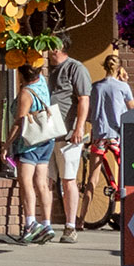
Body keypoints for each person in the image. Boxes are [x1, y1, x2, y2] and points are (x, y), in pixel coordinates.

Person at [47, 43, 94, 238]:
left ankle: (70, 226)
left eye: (50, 47)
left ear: (59, 48)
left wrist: (79, 127)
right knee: (45, 180)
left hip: (68, 134)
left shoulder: (76, 68)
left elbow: (84, 99)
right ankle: (45, 225)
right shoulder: (47, 69)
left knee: (68, 180)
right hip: (47, 134)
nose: (47, 51)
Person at [11, 60, 60, 242]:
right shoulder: (42, 84)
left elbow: (19, 121)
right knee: (42, 182)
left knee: (26, 183)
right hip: (46, 139)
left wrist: (7, 143)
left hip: (29, 142)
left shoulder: (26, 93)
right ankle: (46, 224)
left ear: (22, 75)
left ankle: (30, 223)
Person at [88, 52, 134, 229]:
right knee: (124, 173)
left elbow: (91, 112)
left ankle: (80, 217)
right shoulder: (123, 87)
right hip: (116, 134)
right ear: (119, 68)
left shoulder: (95, 87)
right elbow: (132, 110)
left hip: (99, 134)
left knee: (93, 175)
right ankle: (125, 212)